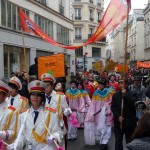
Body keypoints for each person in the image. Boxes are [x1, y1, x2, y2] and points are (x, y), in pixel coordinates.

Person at [7, 80, 64, 150]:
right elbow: (22, 136)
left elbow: (58, 132)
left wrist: (54, 137)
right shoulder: (23, 115)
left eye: (38, 95)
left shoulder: (51, 114)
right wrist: (15, 145)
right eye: (33, 94)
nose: (35, 97)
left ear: (42, 97)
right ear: (29, 96)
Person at [85, 79, 114, 150]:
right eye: (99, 84)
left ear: (104, 85)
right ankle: (101, 141)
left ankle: (105, 142)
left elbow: (111, 102)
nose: (100, 86)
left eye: (101, 84)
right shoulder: (95, 93)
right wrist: (91, 113)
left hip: (106, 114)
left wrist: (106, 107)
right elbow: (93, 104)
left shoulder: (109, 93)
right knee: (99, 127)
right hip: (98, 114)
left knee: (107, 128)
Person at [111, 80, 138, 150]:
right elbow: (113, 107)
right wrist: (118, 116)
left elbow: (134, 105)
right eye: (119, 83)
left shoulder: (133, 93)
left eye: (122, 83)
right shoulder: (115, 95)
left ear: (126, 84)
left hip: (129, 123)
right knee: (118, 142)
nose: (120, 85)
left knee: (130, 142)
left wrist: (125, 95)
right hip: (118, 123)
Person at [0, 80, 18, 149]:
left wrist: (1, 134)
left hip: (3, 146)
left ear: (5, 95)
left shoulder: (12, 111)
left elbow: (14, 133)